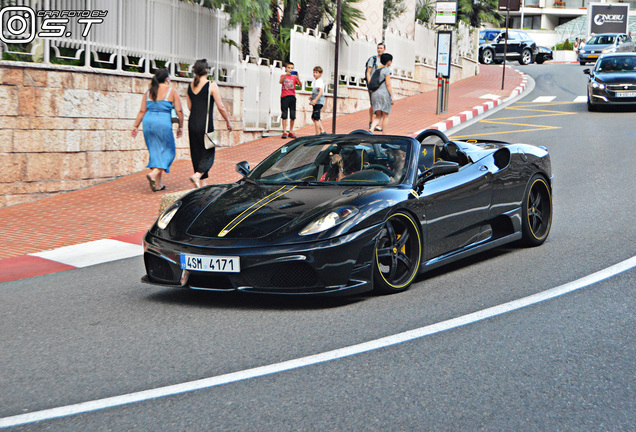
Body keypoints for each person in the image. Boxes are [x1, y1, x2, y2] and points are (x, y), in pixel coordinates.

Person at [131, 68, 183, 192]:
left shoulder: (149, 92)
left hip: (148, 123)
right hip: (163, 123)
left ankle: (158, 184)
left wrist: (135, 126)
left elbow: (142, 111)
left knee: (155, 151)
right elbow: (179, 111)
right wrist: (180, 126)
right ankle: (153, 174)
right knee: (169, 151)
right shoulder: (171, 91)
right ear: (167, 79)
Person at [186, 59, 233, 188]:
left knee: (196, 152)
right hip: (206, 124)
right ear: (207, 70)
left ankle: (202, 182)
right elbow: (221, 107)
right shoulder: (212, 85)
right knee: (209, 152)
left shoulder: (190, 85)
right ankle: (197, 175)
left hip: (192, 123)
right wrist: (228, 122)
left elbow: (189, 107)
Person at [369, 53, 395, 134]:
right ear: (389, 61)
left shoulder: (377, 70)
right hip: (384, 95)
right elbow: (388, 84)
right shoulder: (387, 71)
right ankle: (385, 134)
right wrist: (392, 96)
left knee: (378, 116)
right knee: (385, 116)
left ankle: (371, 129)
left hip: (375, 94)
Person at [365, 42, 386, 129]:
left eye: (381, 48)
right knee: (373, 103)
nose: (379, 49)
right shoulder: (373, 60)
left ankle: (376, 122)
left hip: (380, 85)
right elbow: (368, 73)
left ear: (384, 49)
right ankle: (371, 122)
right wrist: (370, 85)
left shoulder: (385, 60)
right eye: (378, 48)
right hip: (373, 84)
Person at [279, 61, 301, 139]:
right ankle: (284, 131)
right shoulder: (283, 76)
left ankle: (291, 131)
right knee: (284, 114)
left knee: (292, 115)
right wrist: (285, 75)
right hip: (284, 97)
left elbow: (300, 85)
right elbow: (280, 82)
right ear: (286, 68)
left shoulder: (294, 77)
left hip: (292, 97)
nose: (290, 69)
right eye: (288, 68)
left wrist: (297, 77)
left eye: (292, 68)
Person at [310, 66, 326, 135]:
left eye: (316, 72)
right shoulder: (316, 81)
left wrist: (315, 100)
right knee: (313, 118)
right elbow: (316, 91)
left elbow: (320, 92)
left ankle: (317, 133)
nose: (314, 74)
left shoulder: (319, 81)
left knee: (316, 118)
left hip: (318, 102)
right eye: (314, 72)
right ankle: (322, 130)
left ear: (320, 73)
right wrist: (312, 97)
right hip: (316, 101)